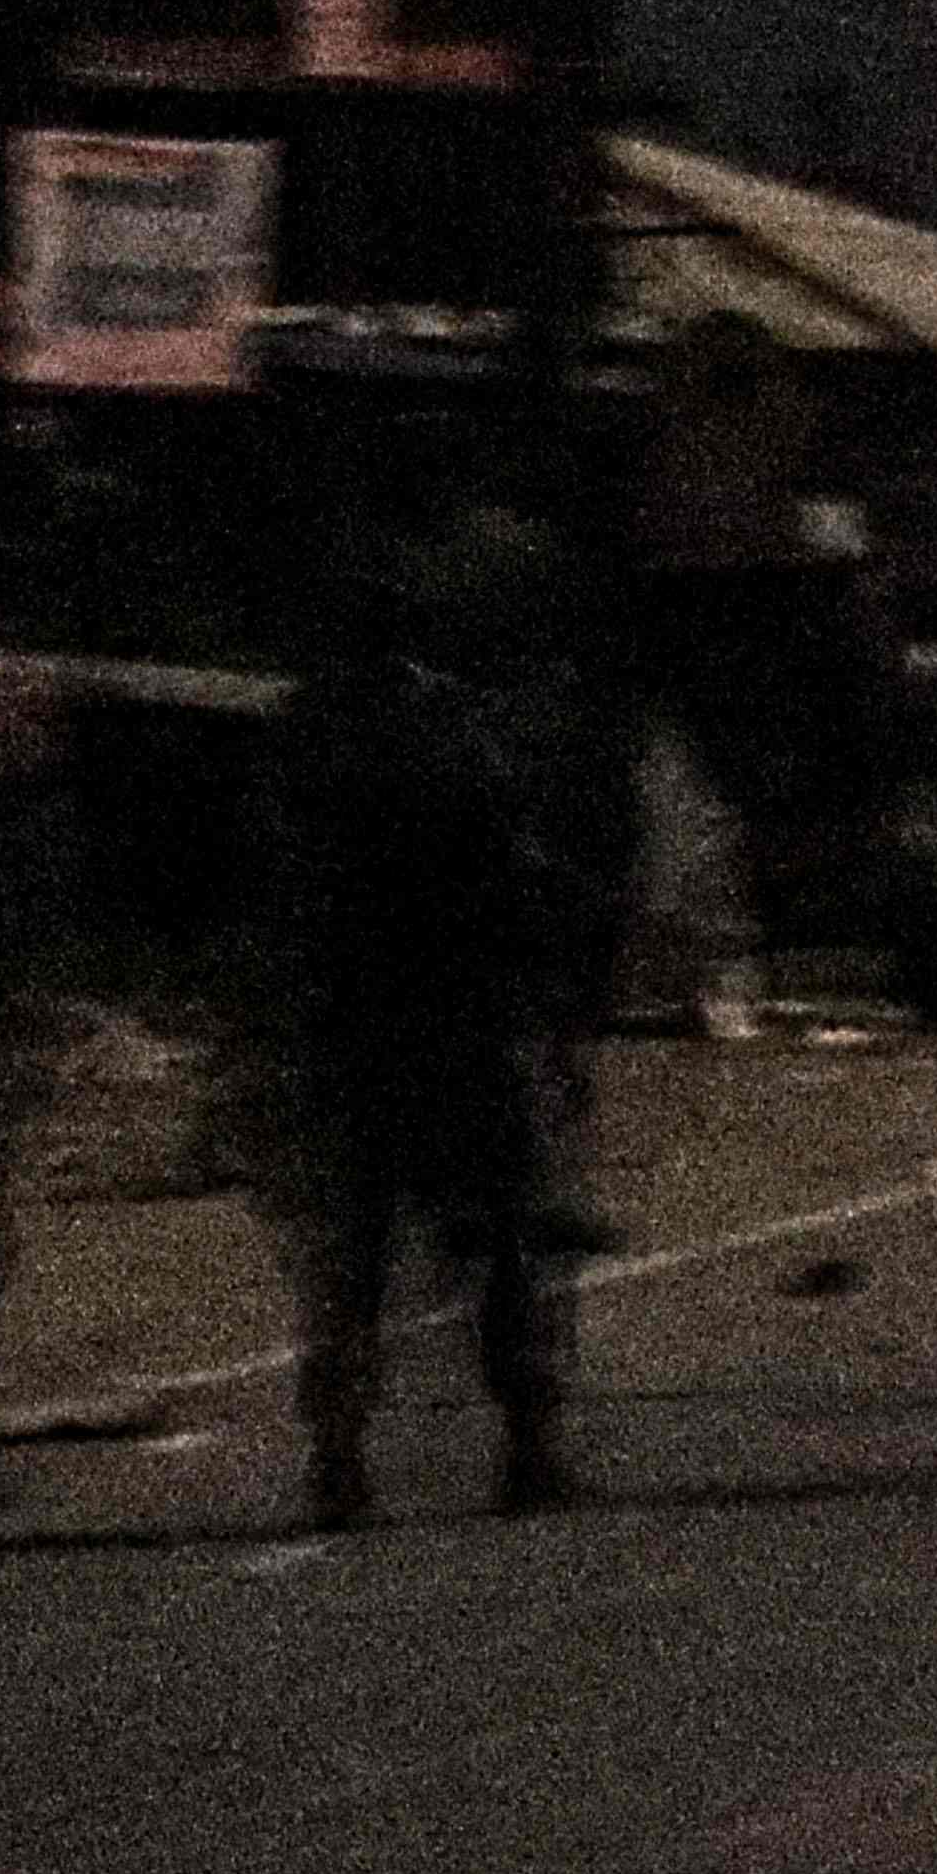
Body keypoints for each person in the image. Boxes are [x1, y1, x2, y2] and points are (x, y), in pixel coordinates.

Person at [250, 506, 624, 1527]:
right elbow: (509, 874)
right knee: (500, 1240)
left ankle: (338, 1458)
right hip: (455, 1013)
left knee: (354, 1252)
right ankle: (531, 1447)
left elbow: (283, 888)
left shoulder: (307, 735)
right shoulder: (453, 731)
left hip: (355, 1018)